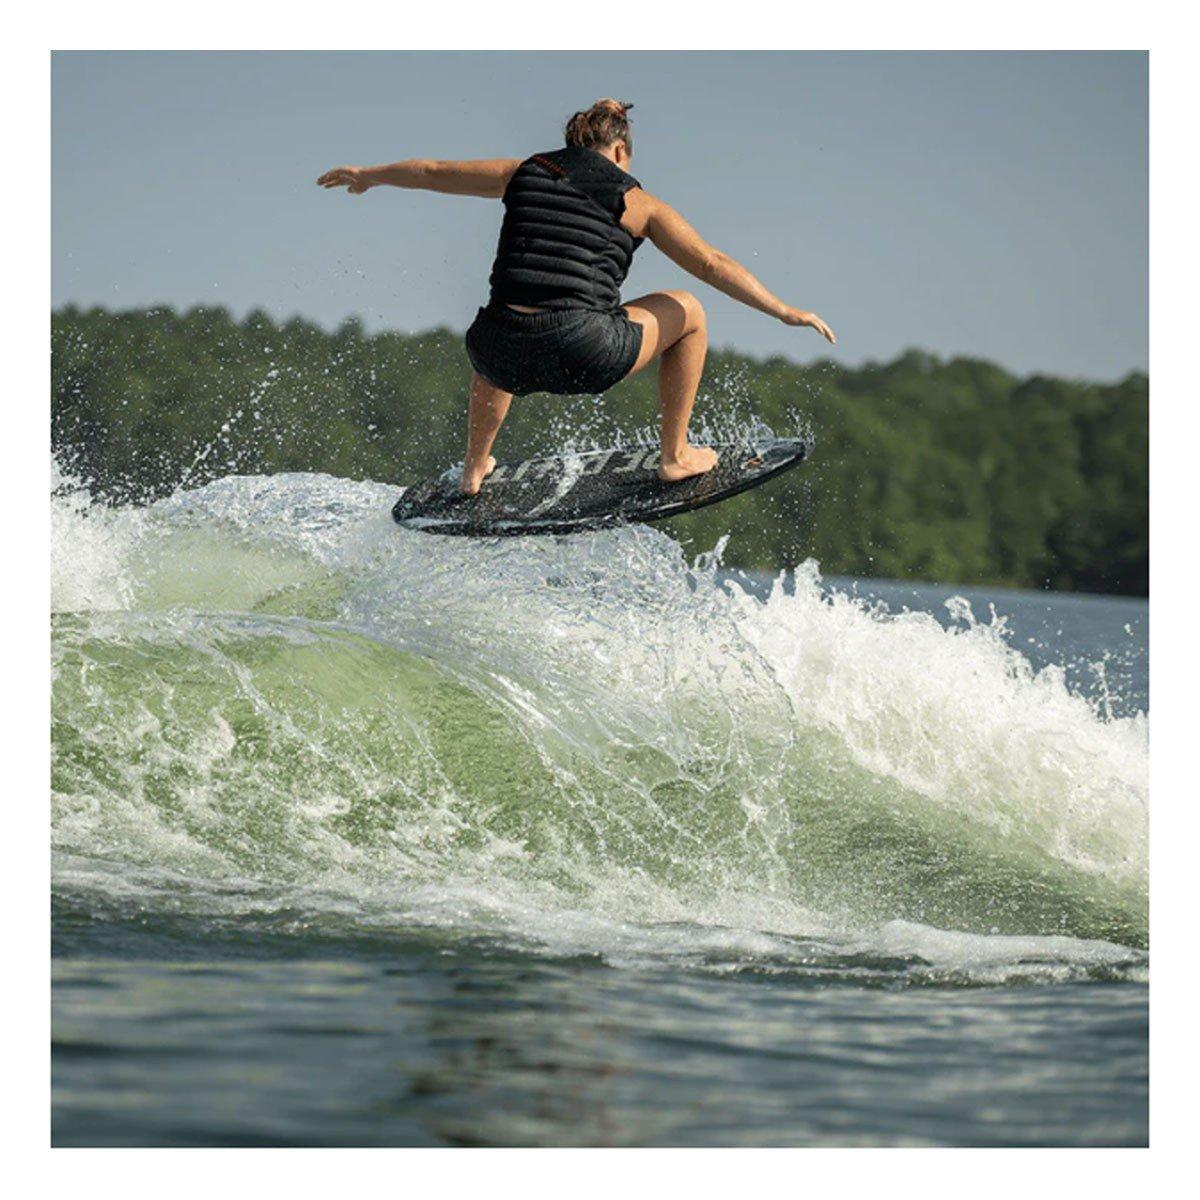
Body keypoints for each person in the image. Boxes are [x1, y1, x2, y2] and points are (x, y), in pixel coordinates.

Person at [318, 98, 836, 496]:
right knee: (691, 311)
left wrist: (369, 176)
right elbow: (710, 263)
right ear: (620, 152)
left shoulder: (524, 170)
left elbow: (433, 171)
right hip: (583, 351)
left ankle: (474, 468)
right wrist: (784, 311)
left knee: (506, 319)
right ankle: (675, 454)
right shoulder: (638, 202)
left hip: (496, 352)